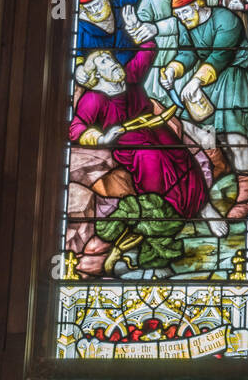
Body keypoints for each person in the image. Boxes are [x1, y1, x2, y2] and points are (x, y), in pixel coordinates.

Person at [70, 35, 228, 276]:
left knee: (180, 156)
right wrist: (100, 138)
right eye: (102, 61)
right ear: (95, 74)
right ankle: (163, 227)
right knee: (151, 161)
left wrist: (142, 35)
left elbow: (147, 53)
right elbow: (76, 127)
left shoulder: (129, 77)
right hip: (129, 142)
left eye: (109, 57)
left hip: (156, 126)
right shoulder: (94, 99)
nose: (111, 62)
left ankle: (203, 206)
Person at [161, 0, 248, 222]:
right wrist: (173, 69)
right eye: (178, 15)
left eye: (185, 12)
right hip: (205, 81)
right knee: (196, 127)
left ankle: (246, 192)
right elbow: (188, 53)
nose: (182, 18)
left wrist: (196, 81)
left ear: (200, 5)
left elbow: (221, 55)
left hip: (234, 76)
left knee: (235, 134)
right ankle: (219, 164)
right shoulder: (186, 24)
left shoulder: (226, 19)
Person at [135, 0, 199, 106]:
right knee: (153, 94)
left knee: (183, 90)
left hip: (187, 47)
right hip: (160, 49)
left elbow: (193, 18)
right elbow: (143, 16)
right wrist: (137, 24)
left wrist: (157, 27)